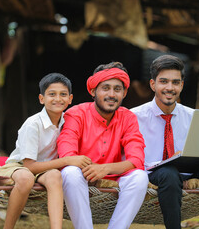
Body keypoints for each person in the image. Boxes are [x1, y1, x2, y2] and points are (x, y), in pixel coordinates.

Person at [131, 55, 199, 229]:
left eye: (175, 82)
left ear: (182, 86)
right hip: (154, 173)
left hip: (188, 171)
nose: (170, 88)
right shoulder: (134, 117)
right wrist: (166, 162)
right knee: (169, 172)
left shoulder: (194, 116)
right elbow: (131, 160)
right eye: (163, 81)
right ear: (153, 84)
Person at [0, 73, 91, 229]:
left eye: (63, 94)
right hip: (20, 166)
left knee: (55, 176)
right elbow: (29, 166)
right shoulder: (33, 124)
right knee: (26, 178)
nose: (58, 99)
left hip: (47, 168)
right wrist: (67, 161)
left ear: (70, 99)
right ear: (41, 99)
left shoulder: (70, 121)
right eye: (52, 94)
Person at [57, 62, 149, 229]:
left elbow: (136, 160)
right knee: (70, 172)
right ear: (93, 91)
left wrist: (105, 169)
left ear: (125, 93)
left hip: (113, 177)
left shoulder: (128, 118)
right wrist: (91, 168)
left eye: (117, 89)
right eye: (105, 88)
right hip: (79, 178)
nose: (111, 94)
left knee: (140, 177)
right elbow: (66, 155)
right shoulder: (76, 114)